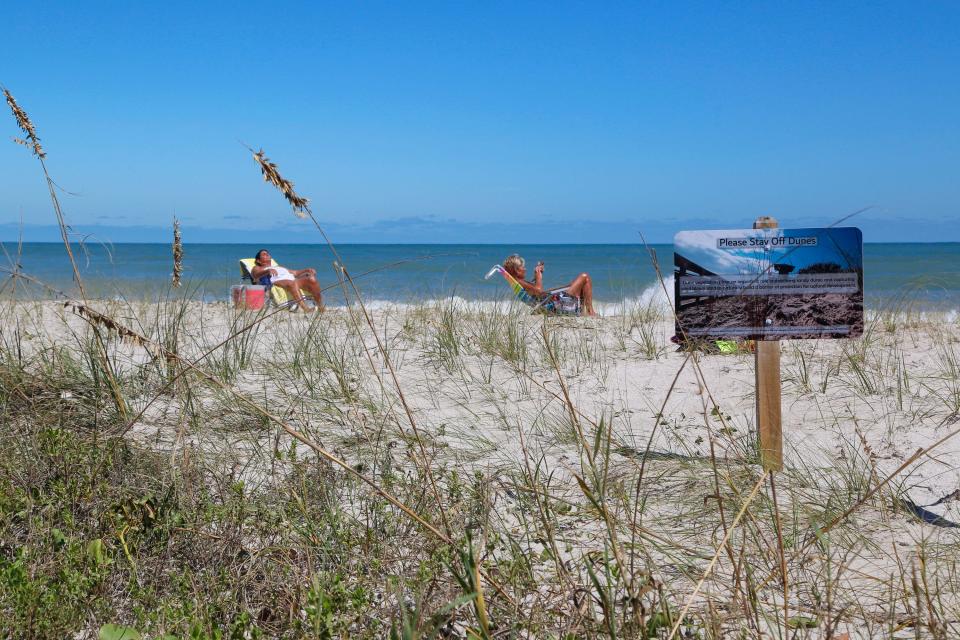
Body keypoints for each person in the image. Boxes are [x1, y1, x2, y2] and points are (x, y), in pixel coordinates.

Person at [502, 254, 596, 316]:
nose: (525, 269)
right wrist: (539, 277)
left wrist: (537, 275)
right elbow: (539, 291)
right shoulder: (519, 282)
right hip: (557, 306)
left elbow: (537, 294)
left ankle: (587, 311)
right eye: (522, 267)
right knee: (584, 276)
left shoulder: (518, 282)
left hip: (552, 304)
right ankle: (590, 312)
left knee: (575, 283)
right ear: (516, 270)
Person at [250, 249, 324, 312]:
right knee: (291, 283)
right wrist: (267, 271)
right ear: (259, 261)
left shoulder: (278, 267)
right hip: (277, 281)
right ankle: (306, 309)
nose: (267, 254)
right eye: (264, 254)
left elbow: (295, 273)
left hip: (293, 280)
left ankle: (320, 307)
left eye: (268, 253)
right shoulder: (257, 268)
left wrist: (307, 270)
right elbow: (255, 275)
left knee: (312, 279)